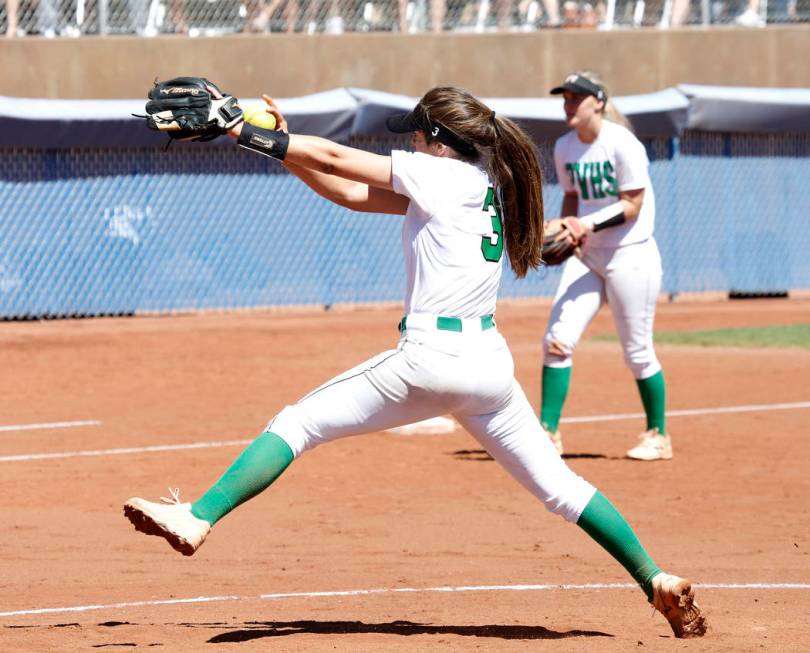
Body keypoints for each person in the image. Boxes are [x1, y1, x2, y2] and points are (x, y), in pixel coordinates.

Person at [122, 86, 706, 638]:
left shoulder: (438, 173)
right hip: (489, 370)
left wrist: (241, 130)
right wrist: (281, 145)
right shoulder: (478, 182)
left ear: (436, 136)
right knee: (561, 489)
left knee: (298, 424)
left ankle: (198, 517)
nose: (412, 143)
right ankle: (655, 579)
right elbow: (346, 190)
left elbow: (332, 154)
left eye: (418, 135)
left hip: (431, 357)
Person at [540, 70, 673, 461]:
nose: (568, 105)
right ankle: (547, 432)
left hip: (630, 254)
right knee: (556, 341)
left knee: (637, 351)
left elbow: (632, 205)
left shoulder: (622, 143)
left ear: (597, 101)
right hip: (588, 256)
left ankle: (658, 435)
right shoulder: (565, 147)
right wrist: (567, 227)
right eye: (563, 98)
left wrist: (586, 224)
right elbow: (570, 197)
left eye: (574, 98)